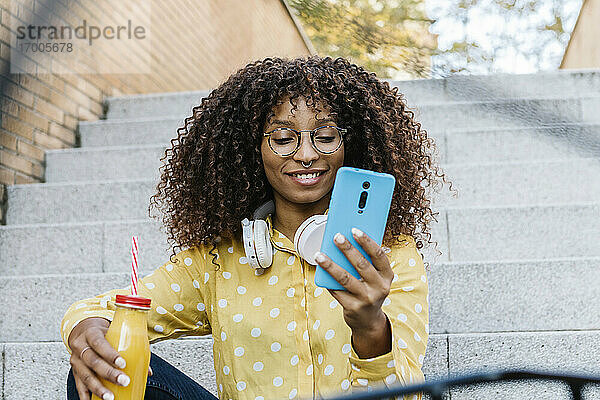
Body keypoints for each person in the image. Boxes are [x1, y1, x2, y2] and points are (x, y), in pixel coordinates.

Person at [62, 55, 452, 400]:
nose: (306, 154)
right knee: (102, 364)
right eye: (282, 138)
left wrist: (370, 331)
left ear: (352, 145)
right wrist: (87, 326)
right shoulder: (218, 260)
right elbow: (107, 308)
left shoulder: (389, 256)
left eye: (326, 136)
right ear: (252, 149)